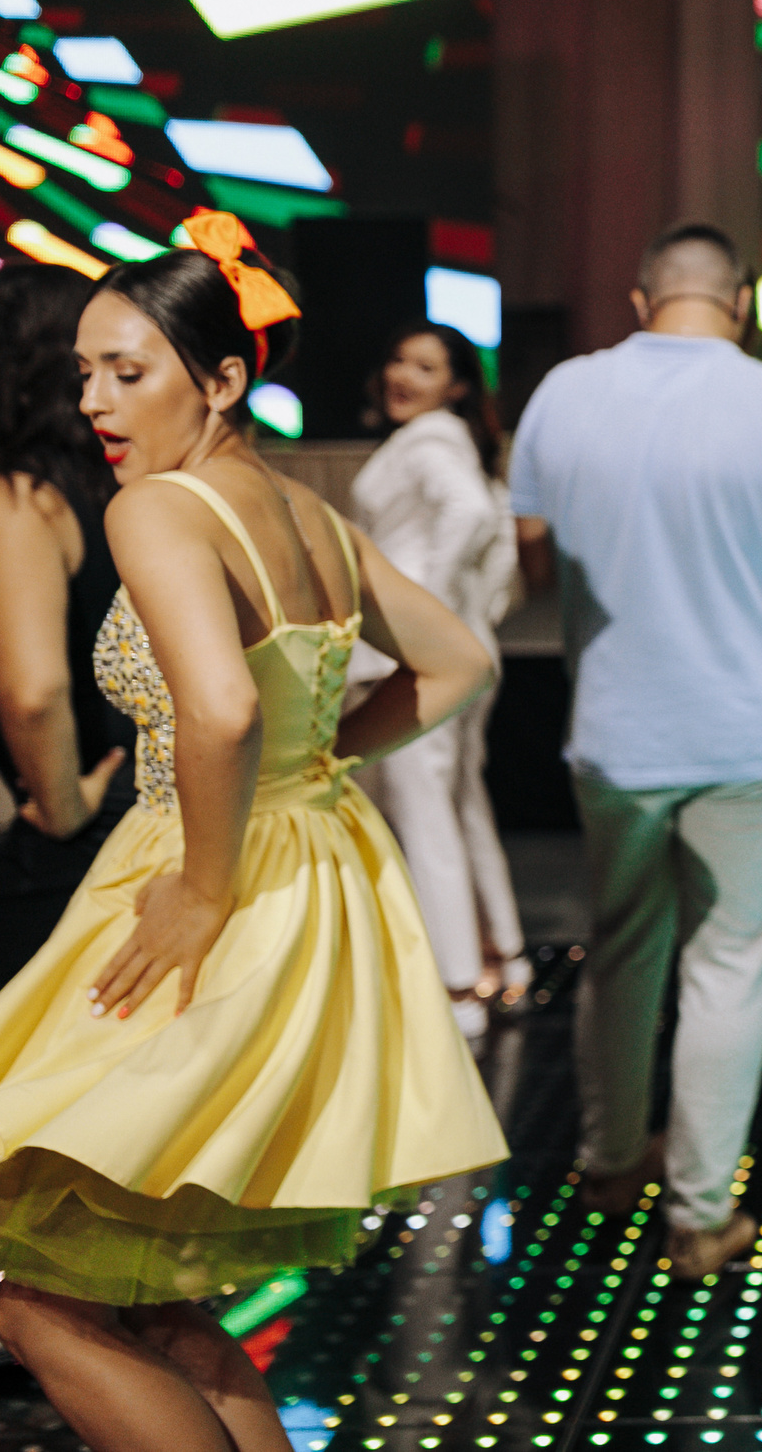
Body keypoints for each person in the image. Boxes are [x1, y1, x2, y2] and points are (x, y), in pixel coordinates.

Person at [0, 215, 506, 1449]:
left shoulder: (157, 509)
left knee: (35, 1298)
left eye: (126, 371)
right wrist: (319, 764)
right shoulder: (303, 512)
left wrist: (198, 887)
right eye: (84, 372)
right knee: (148, 1291)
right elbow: (461, 661)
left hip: (206, 879)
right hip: (303, 871)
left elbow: (225, 704)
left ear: (224, 379)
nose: (94, 399)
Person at [511, 222, 762, 1280]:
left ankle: (609, 1163)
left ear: (641, 300)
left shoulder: (563, 394)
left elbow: (532, 564)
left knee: (622, 946)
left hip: (617, 730)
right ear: (741, 302)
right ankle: (701, 1216)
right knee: (728, 968)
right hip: (754, 730)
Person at [0, 266, 134, 1026]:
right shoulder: (120, 481)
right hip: (136, 801)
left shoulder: (22, 492)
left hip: (82, 813)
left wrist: (60, 808)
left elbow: (34, 690)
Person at [350, 321, 527, 1041]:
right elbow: (499, 530)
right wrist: (468, 610)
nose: (403, 375)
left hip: (418, 656)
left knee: (425, 807)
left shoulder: (429, 441)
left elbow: (475, 514)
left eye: (424, 367)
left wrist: (421, 608)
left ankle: (457, 988)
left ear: (455, 385)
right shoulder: (456, 440)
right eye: (398, 359)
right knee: (457, 802)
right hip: (461, 650)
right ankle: (502, 953)